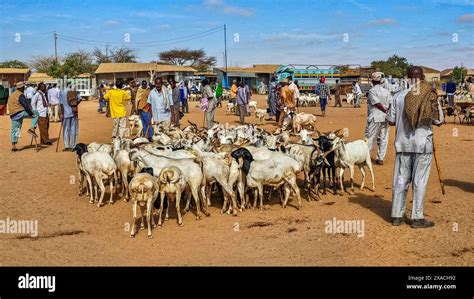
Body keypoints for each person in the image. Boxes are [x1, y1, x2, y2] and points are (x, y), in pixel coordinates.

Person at [387, 66, 443, 228]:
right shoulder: (430, 95)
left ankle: (397, 215)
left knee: (400, 180)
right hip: (423, 144)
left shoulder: (398, 97)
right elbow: (439, 120)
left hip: (402, 144)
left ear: (407, 78)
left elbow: (391, 121)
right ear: (423, 78)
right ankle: (417, 218)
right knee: (420, 181)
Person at [365, 72, 392, 165]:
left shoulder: (372, 91)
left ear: (372, 80)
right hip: (385, 118)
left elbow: (376, 103)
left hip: (375, 117)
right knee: (383, 138)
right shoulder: (387, 91)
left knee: (370, 138)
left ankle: (366, 157)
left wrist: (384, 110)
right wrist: (387, 112)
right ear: (380, 81)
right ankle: (380, 158)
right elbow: (390, 104)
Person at [7, 82, 37, 152]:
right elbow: (25, 105)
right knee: (36, 113)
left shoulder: (12, 95)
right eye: (23, 87)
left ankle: (13, 145)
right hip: (20, 112)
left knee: (16, 129)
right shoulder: (20, 95)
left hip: (13, 114)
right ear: (21, 88)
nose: (24, 88)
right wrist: (31, 113)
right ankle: (32, 128)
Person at [59, 83, 81, 151]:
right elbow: (80, 99)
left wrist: (61, 114)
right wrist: (75, 105)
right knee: (74, 129)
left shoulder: (61, 92)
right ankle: (73, 145)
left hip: (65, 113)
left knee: (66, 130)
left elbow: (61, 104)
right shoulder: (74, 91)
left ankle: (67, 146)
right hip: (73, 113)